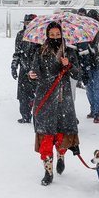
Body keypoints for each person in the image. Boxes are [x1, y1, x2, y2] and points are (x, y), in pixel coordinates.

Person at [27, 21, 80, 186]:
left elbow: (78, 74)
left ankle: (61, 155)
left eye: (58, 35)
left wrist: (68, 65)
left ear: (62, 35)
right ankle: (48, 171)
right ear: (47, 36)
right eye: (52, 35)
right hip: (45, 98)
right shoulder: (40, 52)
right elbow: (35, 71)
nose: (55, 37)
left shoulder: (69, 52)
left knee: (61, 133)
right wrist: (31, 75)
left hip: (63, 99)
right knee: (46, 136)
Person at [75, 9, 99, 123]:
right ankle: (94, 110)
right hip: (87, 65)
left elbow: (96, 50)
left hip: (93, 64)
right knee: (90, 89)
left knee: (94, 88)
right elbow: (80, 50)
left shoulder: (97, 32)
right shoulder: (82, 32)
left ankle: (97, 111)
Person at [11, 14, 38, 123]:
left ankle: (38, 115)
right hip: (23, 68)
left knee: (37, 94)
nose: (28, 25)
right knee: (23, 95)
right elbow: (17, 52)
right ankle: (25, 115)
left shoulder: (39, 36)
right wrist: (14, 65)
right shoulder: (20, 35)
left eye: (31, 23)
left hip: (36, 69)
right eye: (27, 23)